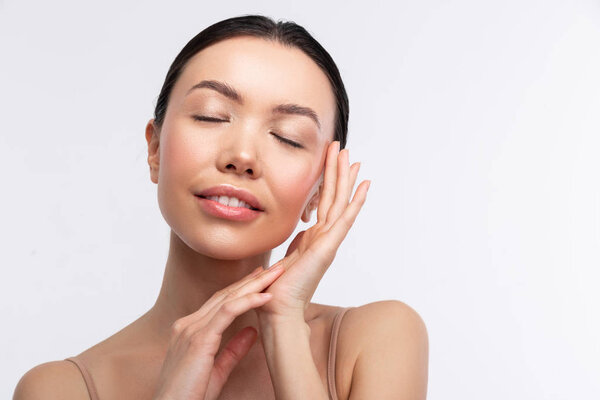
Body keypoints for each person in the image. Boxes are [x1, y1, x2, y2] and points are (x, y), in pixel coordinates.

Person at [13, 14, 428, 400]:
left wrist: (284, 323)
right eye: (212, 116)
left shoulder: (376, 340)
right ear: (154, 148)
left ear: (319, 190)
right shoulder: (60, 388)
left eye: (287, 137)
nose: (242, 155)